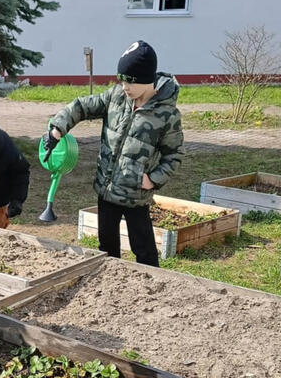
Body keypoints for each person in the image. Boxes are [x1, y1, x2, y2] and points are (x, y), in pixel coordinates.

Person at [42, 40, 184, 266]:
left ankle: (149, 286)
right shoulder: (116, 96)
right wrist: (58, 128)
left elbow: (174, 155)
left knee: (144, 249)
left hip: (135, 195)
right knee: (106, 247)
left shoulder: (166, 115)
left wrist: (153, 180)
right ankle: (109, 284)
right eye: (122, 80)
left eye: (129, 81)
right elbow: (82, 106)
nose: (124, 86)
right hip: (106, 190)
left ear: (146, 80)